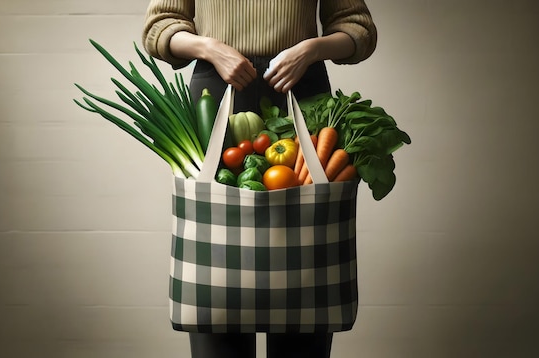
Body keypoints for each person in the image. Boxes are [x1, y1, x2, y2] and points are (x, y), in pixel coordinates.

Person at [142, 1, 377, 357]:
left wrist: (311, 49)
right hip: (217, 93)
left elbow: (359, 29)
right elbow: (158, 27)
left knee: (303, 292)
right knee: (218, 297)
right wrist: (209, 48)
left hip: (300, 90)